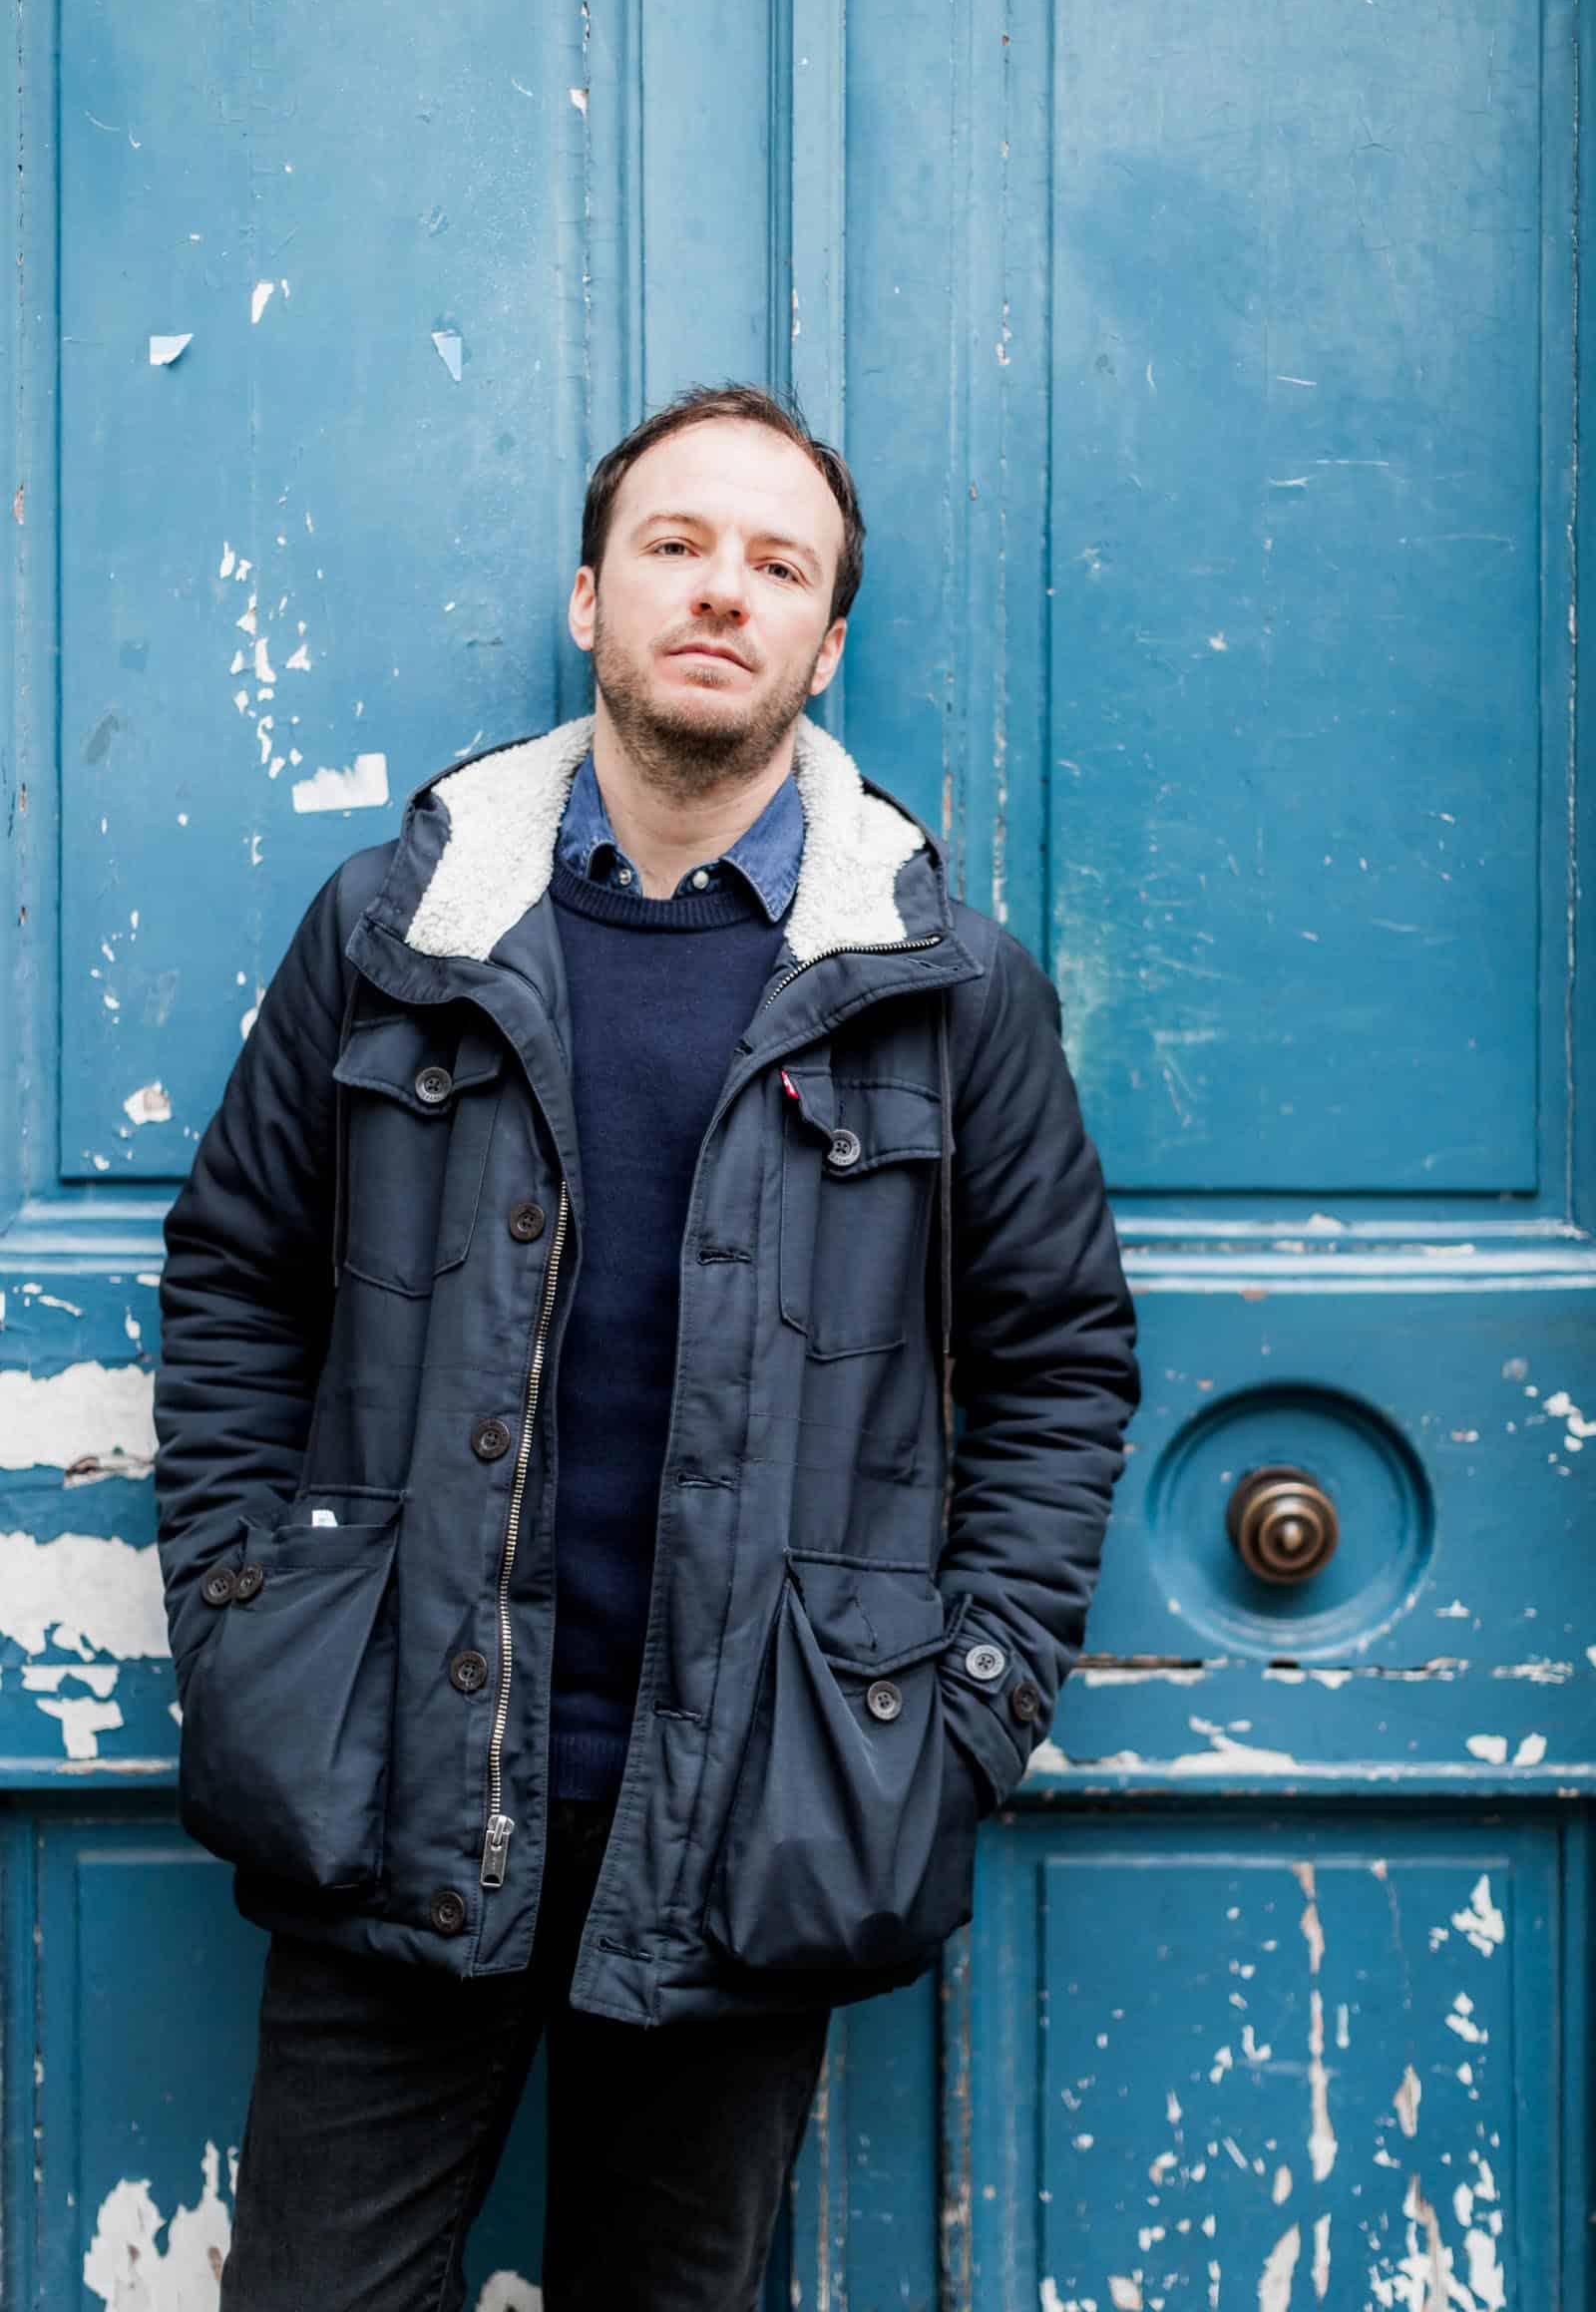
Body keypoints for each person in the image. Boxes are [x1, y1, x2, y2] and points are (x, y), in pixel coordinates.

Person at [153, 381, 1140, 2311]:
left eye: (780, 566)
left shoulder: (942, 986)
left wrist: (962, 1712)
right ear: (590, 598)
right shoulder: (394, 926)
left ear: (826, 641)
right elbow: (235, 1277)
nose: (724, 591)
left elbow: (1054, 1361)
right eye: (678, 545)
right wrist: (247, 1609)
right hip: (390, 1782)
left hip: (761, 1815)